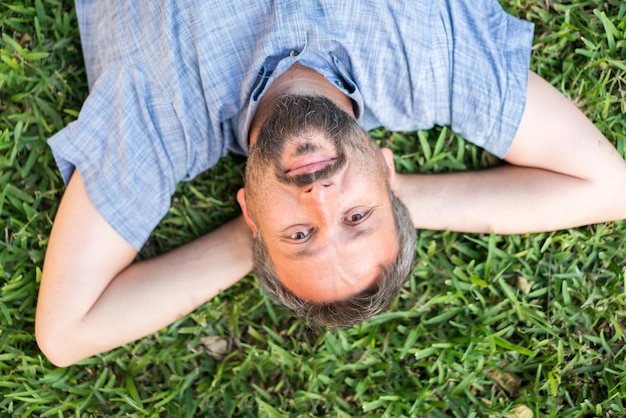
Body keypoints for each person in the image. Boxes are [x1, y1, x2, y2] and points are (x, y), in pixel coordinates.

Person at [35, 0, 626, 367]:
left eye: (298, 233)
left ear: (250, 213)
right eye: (357, 217)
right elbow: (608, 188)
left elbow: (65, 333)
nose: (320, 199)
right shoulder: (431, 57)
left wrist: (261, 239)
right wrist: (393, 204)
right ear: (387, 174)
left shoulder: (161, 121)